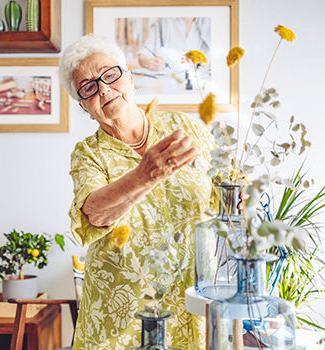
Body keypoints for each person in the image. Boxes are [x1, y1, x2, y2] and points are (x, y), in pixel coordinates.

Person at [59, 34, 217, 350]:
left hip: (192, 299)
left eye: (110, 75)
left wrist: (237, 198)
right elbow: (95, 213)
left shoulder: (183, 128)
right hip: (121, 315)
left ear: (130, 78)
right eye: (88, 87)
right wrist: (144, 175)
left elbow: (220, 190)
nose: (103, 88)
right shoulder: (88, 154)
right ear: (84, 107)